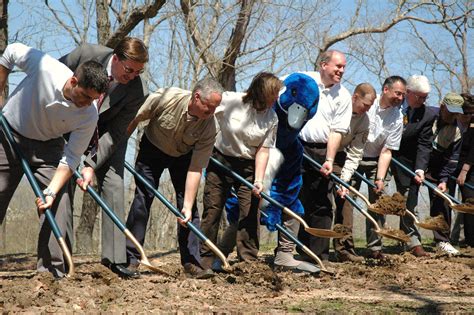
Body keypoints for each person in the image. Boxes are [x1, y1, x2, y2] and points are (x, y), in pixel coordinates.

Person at [0, 43, 108, 277]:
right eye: (85, 96)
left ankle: (51, 272)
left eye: (93, 99)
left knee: (58, 199)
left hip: (49, 145)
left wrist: (50, 191)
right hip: (9, 134)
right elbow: (10, 52)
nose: (87, 103)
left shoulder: (89, 115)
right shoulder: (45, 68)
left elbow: (71, 157)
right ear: (73, 82)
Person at [59, 37, 149, 278]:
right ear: (116, 58)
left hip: (105, 135)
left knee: (114, 183)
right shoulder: (85, 54)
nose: (132, 76)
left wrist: (90, 163)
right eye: (129, 70)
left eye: (139, 71)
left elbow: (118, 133)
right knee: (63, 183)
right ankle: (62, 258)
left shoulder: (137, 90)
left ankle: (115, 259)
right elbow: (53, 78)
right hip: (69, 125)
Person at [125, 77, 223, 279]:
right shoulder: (166, 97)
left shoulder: (209, 127)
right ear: (197, 97)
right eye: (208, 109)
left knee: (189, 209)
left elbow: (196, 168)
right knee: (142, 200)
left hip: (182, 157)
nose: (211, 114)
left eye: (215, 109)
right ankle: (131, 258)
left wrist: (186, 204)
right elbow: (135, 118)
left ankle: (192, 263)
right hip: (152, 149)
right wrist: (118, 146)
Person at [199, 73, 281, 270]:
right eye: (274, 94)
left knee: (251, 210)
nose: (277, 98)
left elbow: (263, 149)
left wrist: (259, 180)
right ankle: (206, 258)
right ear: (262, 92)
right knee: (213, 208)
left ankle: (249, 260)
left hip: (248, 166)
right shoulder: (231, 101)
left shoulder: (272, 117)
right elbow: (206, 110)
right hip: (220, 160)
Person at [340, 76, 406, 260]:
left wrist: (379, 178)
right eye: (398, 93)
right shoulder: (367, 103)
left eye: (403, 95)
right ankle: (345, 248)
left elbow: (387, 151)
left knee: (379, 203)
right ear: (386, 90)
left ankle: (375, 248)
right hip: (351, 156)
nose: (400, 98)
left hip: (376, 161)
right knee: (346, 202)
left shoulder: (397, 117)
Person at [297, 50, 352, 261]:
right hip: (297, 146)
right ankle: (297, 250)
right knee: (296, 198)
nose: (341, 70)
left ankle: (318, 255)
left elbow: (337, 130)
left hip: (322, 150)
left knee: (321, 202)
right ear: (323, 65)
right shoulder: (304, 80)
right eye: (338, 66)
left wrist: (329, 159)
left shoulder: (344, 96)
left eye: (343, 67)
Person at [391, 74, 437, 257]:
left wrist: (420, 168)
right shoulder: (393, 102)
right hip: (382, 154)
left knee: (410, 198)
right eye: (420, 97)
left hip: (406, 160)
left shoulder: (426, 115)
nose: (424, 101)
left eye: (426, 97)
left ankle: (411, 241)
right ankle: (376, 244)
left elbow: (424, 144)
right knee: (378, 194)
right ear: (409, 93)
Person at [332, 83, 376, 263]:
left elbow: (356, 153)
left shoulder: (364, 121)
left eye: (370, 106)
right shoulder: (337, 105)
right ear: (355, 97)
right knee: (320, 201)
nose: (367, 109)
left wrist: (344, 180)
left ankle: (344, 249)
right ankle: (314, 248)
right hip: (318, 152)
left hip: (340, 157)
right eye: (365, 105)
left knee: (345, 200)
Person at [426, 93, 467, 255]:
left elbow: (452, 159)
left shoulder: (457, 130)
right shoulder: (428, 116)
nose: (453, 116)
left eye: (456, 113)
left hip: (439, 166)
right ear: (442, 106)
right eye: (450, 112)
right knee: (409, 199)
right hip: (416, 162)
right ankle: (410, 240)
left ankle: (442, 241)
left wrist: (443, 180)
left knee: (443, 201)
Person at [456, 93, 474, 247]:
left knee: (469, 202)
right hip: (450, 165)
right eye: (465, 112)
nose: (468, 116)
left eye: (471, 113)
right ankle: (450, 238)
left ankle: (470, 241)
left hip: (468, 167)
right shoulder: (451, 120)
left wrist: (465, 170)